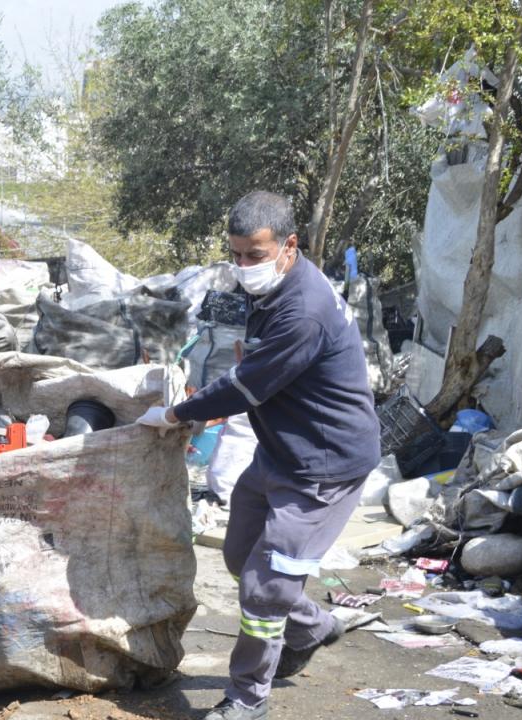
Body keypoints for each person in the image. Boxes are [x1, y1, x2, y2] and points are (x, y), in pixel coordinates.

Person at [137, 191, 380, 720]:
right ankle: (313, 626)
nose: (244, 266)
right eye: (237, 254)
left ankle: (247, 697)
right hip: (280, 452)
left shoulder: (304, 312)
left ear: (289, 246)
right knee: (237, 555)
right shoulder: (274, 287)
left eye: (255, 254)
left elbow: (246, 387)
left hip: (324, 468)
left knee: (264, 586)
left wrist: (177, 415)